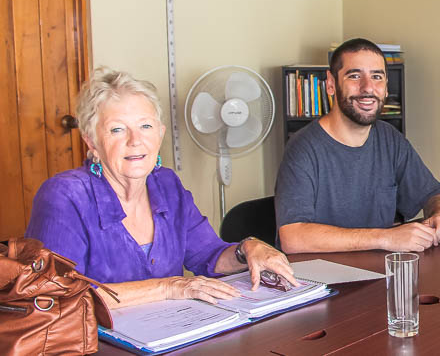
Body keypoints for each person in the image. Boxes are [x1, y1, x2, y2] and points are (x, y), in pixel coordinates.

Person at [25, 69, 299, 309]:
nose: (136, 140)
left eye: (145, 126)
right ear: (92, 142)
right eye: (117, 130)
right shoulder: (64, 196)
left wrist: (248, 248)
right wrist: (168, 288)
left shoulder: (167, 184)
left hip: (170, 336)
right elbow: (58, 295)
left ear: (160, 133)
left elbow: (208, 256)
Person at [275, 38, 440, 254]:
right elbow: (293, 238)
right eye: (354, 76)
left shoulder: (389, 138)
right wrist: (386, 238)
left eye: (377, 77)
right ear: (331, 84)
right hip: (322, 280)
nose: (368, 87)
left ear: (386, 87)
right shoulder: (303, 147)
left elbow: (436, 197)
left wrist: (439, 218)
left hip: (377, 273)